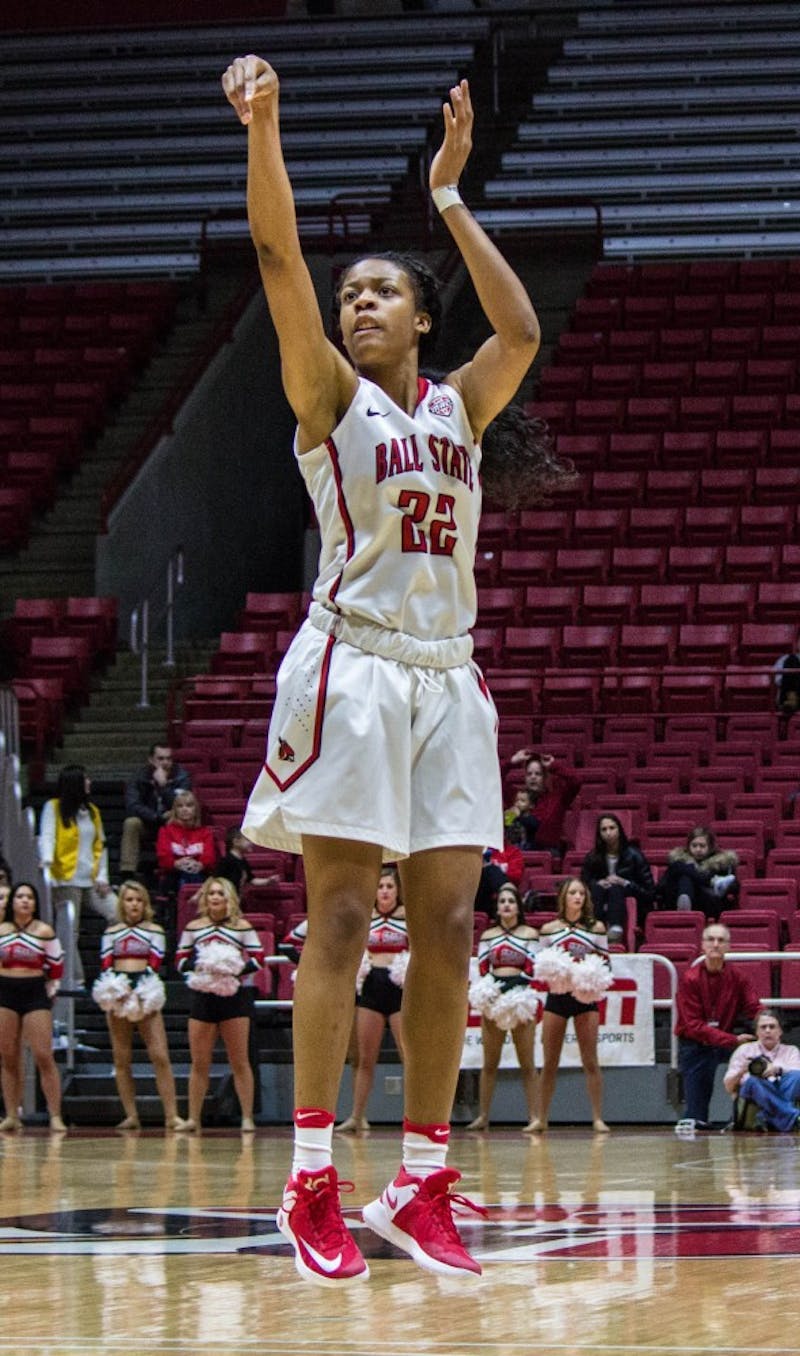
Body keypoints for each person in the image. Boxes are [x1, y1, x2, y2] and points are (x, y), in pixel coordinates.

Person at [223, 53, 571, 1285]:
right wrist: (264, 129)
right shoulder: (329, 398)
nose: (358, 304)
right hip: (353, 671)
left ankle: (420, 1178)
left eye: (381, 292)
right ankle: (310, 1178)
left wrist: (451, 198)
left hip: (444, 679)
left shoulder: (460, 410)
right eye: (350, 292)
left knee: (449, 926)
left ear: (422, 317)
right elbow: (275, 263)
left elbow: (521, 326)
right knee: (333, 917)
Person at [94, 880, 188, 1132]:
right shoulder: (111, 932)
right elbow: (106, 963)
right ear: (121, 903)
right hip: (117, 990)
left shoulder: (154, 930)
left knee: (159, 1055)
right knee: (121, 1057)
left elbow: (156, 961)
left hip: (145, 989)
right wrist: (118, 990)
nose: (134, 904)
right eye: (129, 899)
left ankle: (171, 1115)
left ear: (145, 903)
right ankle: (131, 1115)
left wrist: (137, 991)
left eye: (138, 900)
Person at [175, 876, 265, 1132]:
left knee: (240, 1061)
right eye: (211, 893)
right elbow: (180, 960)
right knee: (199, 1062)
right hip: (203, 997)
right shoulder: (194, 927)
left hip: (234, 998)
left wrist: (233, 971)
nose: (216, 897)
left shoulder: (242, 927)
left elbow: (259, 959)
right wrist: (204, 967)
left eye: (221, 893)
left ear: (230, 898)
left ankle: (247, 1117)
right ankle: (193, 1118)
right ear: (205, 898)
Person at [336, 866, 408, 1134]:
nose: (385, 891)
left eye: (390, 886)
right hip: (371, 987)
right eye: (380, 886)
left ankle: (414, 1117)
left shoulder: (407, 918)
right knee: (364, 1058)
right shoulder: (366, 918)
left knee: (408, 1057)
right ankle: (357, 1116)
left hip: (400, 987)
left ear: (398, 890)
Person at [537, 877, 610, 1133]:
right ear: (563, 898)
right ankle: (540, 1118)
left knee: (590, 1060)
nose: (577, 897)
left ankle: (598, 1118)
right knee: (549, 1062)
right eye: (572, 893)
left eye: (581, 893)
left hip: (585, 999)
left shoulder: (597, 928)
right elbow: (542, 967)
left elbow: (606, 965)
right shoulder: (548, 930)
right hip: (557, 998)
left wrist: (585, 977)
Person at [467, 882, 541, 1132]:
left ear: (518, 907)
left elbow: (532, 968)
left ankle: (535, 1117)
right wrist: (494, 994)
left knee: (527, 1062)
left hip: (521, 997)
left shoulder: (530, 934)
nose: (506, 905)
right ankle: (483, 1116)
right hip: (494, 998)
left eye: (511, 901)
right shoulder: (488, 936)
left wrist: (516, 991)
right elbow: (482, 968)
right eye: (502, 902)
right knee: (489, 1063)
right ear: (497, 908)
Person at [675, 921, 761, 1130]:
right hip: (694, 1043)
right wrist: (731, 1040)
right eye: (710, 940)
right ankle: (696, 1126)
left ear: (728, 946)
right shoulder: (689, 978)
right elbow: (693, 1025)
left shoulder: (738, 977)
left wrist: (766, 1024)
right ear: (702, 946)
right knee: (696, 1111)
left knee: (755, 1063)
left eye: (721, 940)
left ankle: (745, 1119)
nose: (715, 944)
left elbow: (753, 1007)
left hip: (724, 1041)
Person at [38, 764, 117, 985]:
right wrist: (47, 864)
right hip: (64, 878)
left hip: (90, 879)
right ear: (75, 784)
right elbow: (47, 837)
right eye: (85, 779)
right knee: (69, 933)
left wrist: (103, 876)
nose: (89, 782)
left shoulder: (92, 811)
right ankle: (76, 981)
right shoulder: (52, 808)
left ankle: (113, 968)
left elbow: (100, 846)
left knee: (118, 914)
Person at [0, 882, 66, 1132]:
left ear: (36, 903)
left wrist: (51, 986)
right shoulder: (2, 929)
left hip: (35, 992)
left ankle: (55, 1115)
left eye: (29, 897)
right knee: (8, 1056)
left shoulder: (44, 931)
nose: (25, 901)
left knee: (42, 1054)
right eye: (20, 896)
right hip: (5, 991)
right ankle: (11, 1114)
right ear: (12, 902)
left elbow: (56, 965)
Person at [580, 813, 655, 945]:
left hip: (631, 901)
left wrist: (624, 882)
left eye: (612, 828)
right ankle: (595, 927)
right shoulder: (592, 857)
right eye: (604, 829)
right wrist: (597, 883)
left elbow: (649, 892)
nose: (608, 832)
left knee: (616, 887)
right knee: (597, 888)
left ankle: (616, 929)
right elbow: (583, 884)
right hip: (600, 896)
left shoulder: (635, 855)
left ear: (619, 830)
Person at [120, 744, 192, 878]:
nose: (165, 762)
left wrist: (164, 786)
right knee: (131, 822)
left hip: (172, 821)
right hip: (148, 822)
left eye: (169, 759)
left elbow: (183, 804)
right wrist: (156, 816)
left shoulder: (182, 777)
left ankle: (173, 871)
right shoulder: (138, 777)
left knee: (178, 815)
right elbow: (133, 805)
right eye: (161, 758)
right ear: (151, 760)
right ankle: (127, 871)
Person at [723, 1009, 800, 1133]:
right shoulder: (744, 1050)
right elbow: (729, 1087)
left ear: (780, 1031)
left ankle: (772, 1119)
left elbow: (797, 1077)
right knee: (753, 1081)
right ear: (757, 1032)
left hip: (781, 1088)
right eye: (763, 1027)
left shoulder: (791, 1051)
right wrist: (742, 1071)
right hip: (754, 1091)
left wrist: (777, 1070)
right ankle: (793, 1118)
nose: (767, 1031)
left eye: (772, 1027)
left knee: (796, 1076)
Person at [655, 826, 739, 919]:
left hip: (708, 906)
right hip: (674, 904)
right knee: (683, 875)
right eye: (694, 845)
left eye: (702, 846)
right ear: (688, 846)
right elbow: (661, 887)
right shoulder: (679, 862)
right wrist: (706, 880)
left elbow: (734, 887)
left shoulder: (721, 863)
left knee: (682, 871)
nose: (698, 849)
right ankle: (710, 883)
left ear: (710, 847)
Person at [505, 750, 580, 854]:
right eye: (529, 774)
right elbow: (494, 780)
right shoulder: (517, 796)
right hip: (518, 853)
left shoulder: (557, 798)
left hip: (549, 854)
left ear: (545, 777)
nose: (533, 777)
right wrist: (511, 762)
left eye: (538, 774)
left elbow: (576, 781)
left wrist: (554, 766)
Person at [155, 790, 218, 894]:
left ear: (195, 809)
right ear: (175, 810)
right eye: (180, 806)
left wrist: (199, 865)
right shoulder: (165, 831)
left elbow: (209, 857)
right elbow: (163, 857)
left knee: (193, 876)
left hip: (200, 874)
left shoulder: (205, 833)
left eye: (189, 806)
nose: (184, 809)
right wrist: (176, 863)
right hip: (173, 875)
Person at [216, 826, 281, 897]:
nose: (251, 842)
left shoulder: (243, 861)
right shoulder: (226, 861)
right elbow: (215, 880)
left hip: (237, 900)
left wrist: (268, 881)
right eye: (248, 839)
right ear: (236, 842)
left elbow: (251, 879)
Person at [773, 634, 800, 716]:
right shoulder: (785, 659)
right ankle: (791, 699)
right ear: (797, 643)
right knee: (792, 660)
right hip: (787, 697)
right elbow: (778, 681)